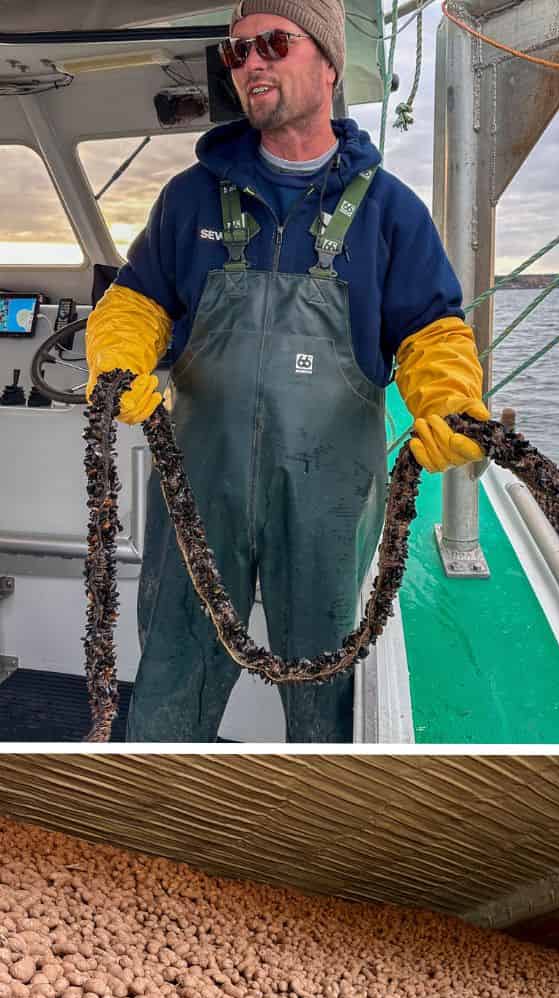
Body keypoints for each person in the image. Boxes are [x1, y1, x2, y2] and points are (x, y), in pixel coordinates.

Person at [84, 0, 487, 742]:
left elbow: (431, 331)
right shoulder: (189, 197)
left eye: (273, 42)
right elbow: (138, 302)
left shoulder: (390, 212)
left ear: (329, 62)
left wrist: (451, 402)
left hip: (330, 504)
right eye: (236, 52)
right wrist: (117, 360)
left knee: (330, 689)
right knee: (173, 672)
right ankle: (159, 813)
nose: (251, 62)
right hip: (197, 496)